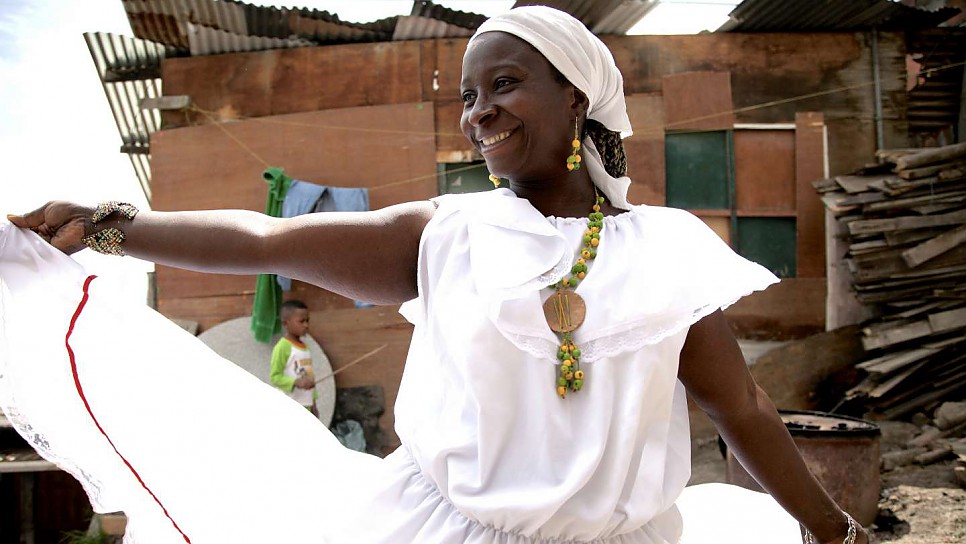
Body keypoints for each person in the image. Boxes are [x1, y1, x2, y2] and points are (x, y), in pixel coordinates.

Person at [1, 6, 870, 544]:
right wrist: (110, 226)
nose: (479, 109)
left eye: (504, 83)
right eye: (467, 94)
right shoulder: (447, 234)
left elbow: (741, 408)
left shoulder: (665, 250)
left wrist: (834, 532)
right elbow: (267, 240)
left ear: (577, 98)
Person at [270, 299, 319, 417]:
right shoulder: (282, 347)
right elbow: (275, 377)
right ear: (286, 323)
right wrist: (296, 382)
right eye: (301, 321)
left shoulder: (306, 348)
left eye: (307, 321)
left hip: (306, 405)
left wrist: (313, 404)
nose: (306, 325)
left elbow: (309, 377)